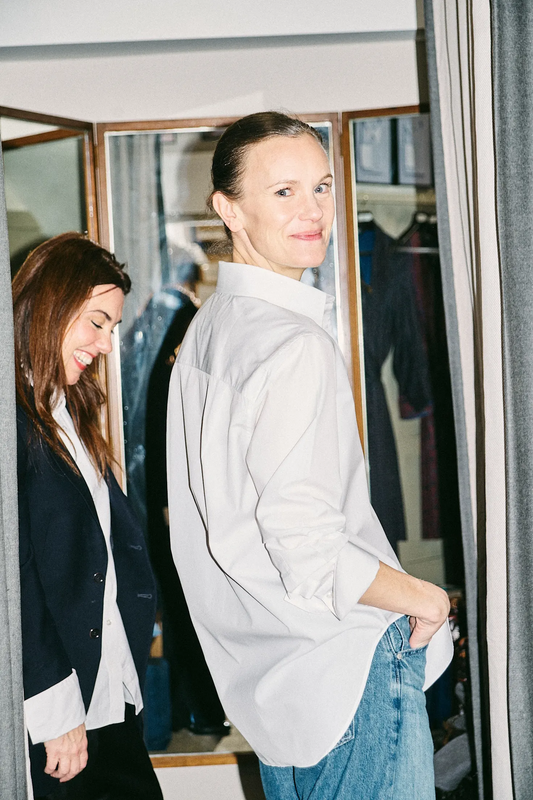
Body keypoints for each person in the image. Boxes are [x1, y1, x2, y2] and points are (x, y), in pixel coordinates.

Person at [166, 112, 453, 800]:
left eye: (321, 187)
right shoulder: (289, 343)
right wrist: (428, 598)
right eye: (284, 192)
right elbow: (308, 546)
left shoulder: (209, 332)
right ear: (228, 209)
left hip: (274, 690)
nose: (314, 211)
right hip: (339, 668)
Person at [14, 233, 163, 800]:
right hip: (58, 706)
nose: (104, 344)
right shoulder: (13, 418)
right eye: (96, 322)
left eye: (112, 328)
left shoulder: (68, 408)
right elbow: (15, 578)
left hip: (107, 692)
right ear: (53, 303)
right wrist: (55, 709)